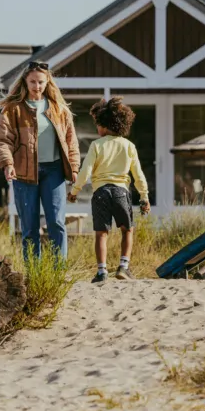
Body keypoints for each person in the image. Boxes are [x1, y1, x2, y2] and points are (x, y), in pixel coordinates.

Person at [0, 61, 80, 260]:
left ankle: (58, 271)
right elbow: (1, 140)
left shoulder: (59, 109)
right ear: (25, 81)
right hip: (23, 173)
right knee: (29, 226)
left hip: (55, 171)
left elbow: (71, 140)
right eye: (32, 82)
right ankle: (33, 272)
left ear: (47, 81)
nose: (37, 86)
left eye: (40, 82)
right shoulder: (13, 109)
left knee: (57, 223)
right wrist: (7, 164)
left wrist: (74, 167)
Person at [68, 97, 150, 283]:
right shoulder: (129, 146)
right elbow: (138, 174)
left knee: (101, 233)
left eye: (98, 124)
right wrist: (144, 197)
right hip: (121, 192)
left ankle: (102, 271)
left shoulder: (97, 145)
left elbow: (85, 170)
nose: (97, 129)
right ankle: (123, 266)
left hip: (101, 193)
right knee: (127, 230)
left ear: (105, 125)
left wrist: (75, 191)